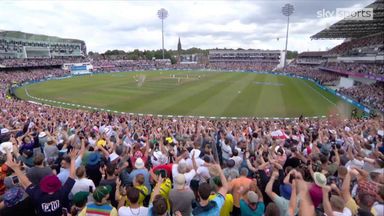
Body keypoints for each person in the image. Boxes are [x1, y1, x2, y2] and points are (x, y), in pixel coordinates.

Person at [6, 149, 77, 216]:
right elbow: (72, 176)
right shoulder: (62, 191)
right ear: (58, 185)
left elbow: (26, 182)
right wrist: (73, 159)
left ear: (43, 185)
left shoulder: (36, 193)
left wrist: (15, 168)